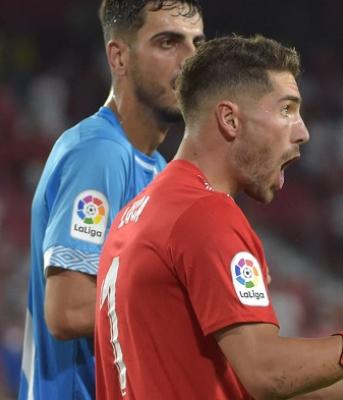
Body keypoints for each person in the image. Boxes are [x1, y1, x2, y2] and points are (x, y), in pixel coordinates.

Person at [93, 34, 343, 400]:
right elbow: (266, 373)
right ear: (230, 120)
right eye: (287, 110)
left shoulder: (136, 216)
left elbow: (236, 379)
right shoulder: (205, 214)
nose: (302, 131)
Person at [20, 1, 204, 399]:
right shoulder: (99, 152)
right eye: (168, 42)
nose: (191, 60)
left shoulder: (156, 167)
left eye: (197, 43)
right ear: (119, 57)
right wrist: (192, 301)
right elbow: (67, 310)